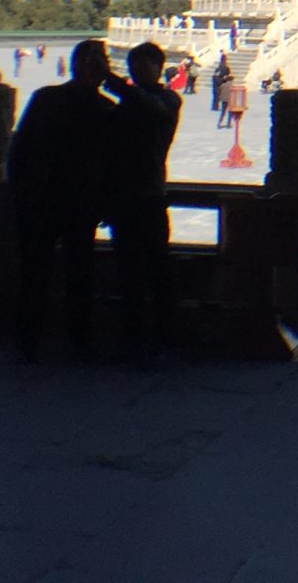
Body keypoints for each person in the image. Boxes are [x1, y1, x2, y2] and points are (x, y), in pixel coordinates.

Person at [8, 39, 114, 363]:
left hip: (82, 205)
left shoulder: (108, 109)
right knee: (34, 275)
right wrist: (22, 192)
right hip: (42, 201)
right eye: (91, 59)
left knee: (80, 275)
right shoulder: (46, 98)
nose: (97, 65)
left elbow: (114, 161)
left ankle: (80, 341)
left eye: (102, 59)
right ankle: (28, 342)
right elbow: (20, 147)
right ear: (75, 64)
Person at [108, 42, 182, 364]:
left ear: (157, 67)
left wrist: (114, 83)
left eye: (144, 66)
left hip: (150, 196)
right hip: (123, 197)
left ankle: (163, 339)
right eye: (133, 66)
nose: (137, 73)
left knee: (157, 272)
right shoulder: (127, 105)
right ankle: (132, 340)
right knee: (128, 275)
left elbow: (151, 107)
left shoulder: (168, 99)